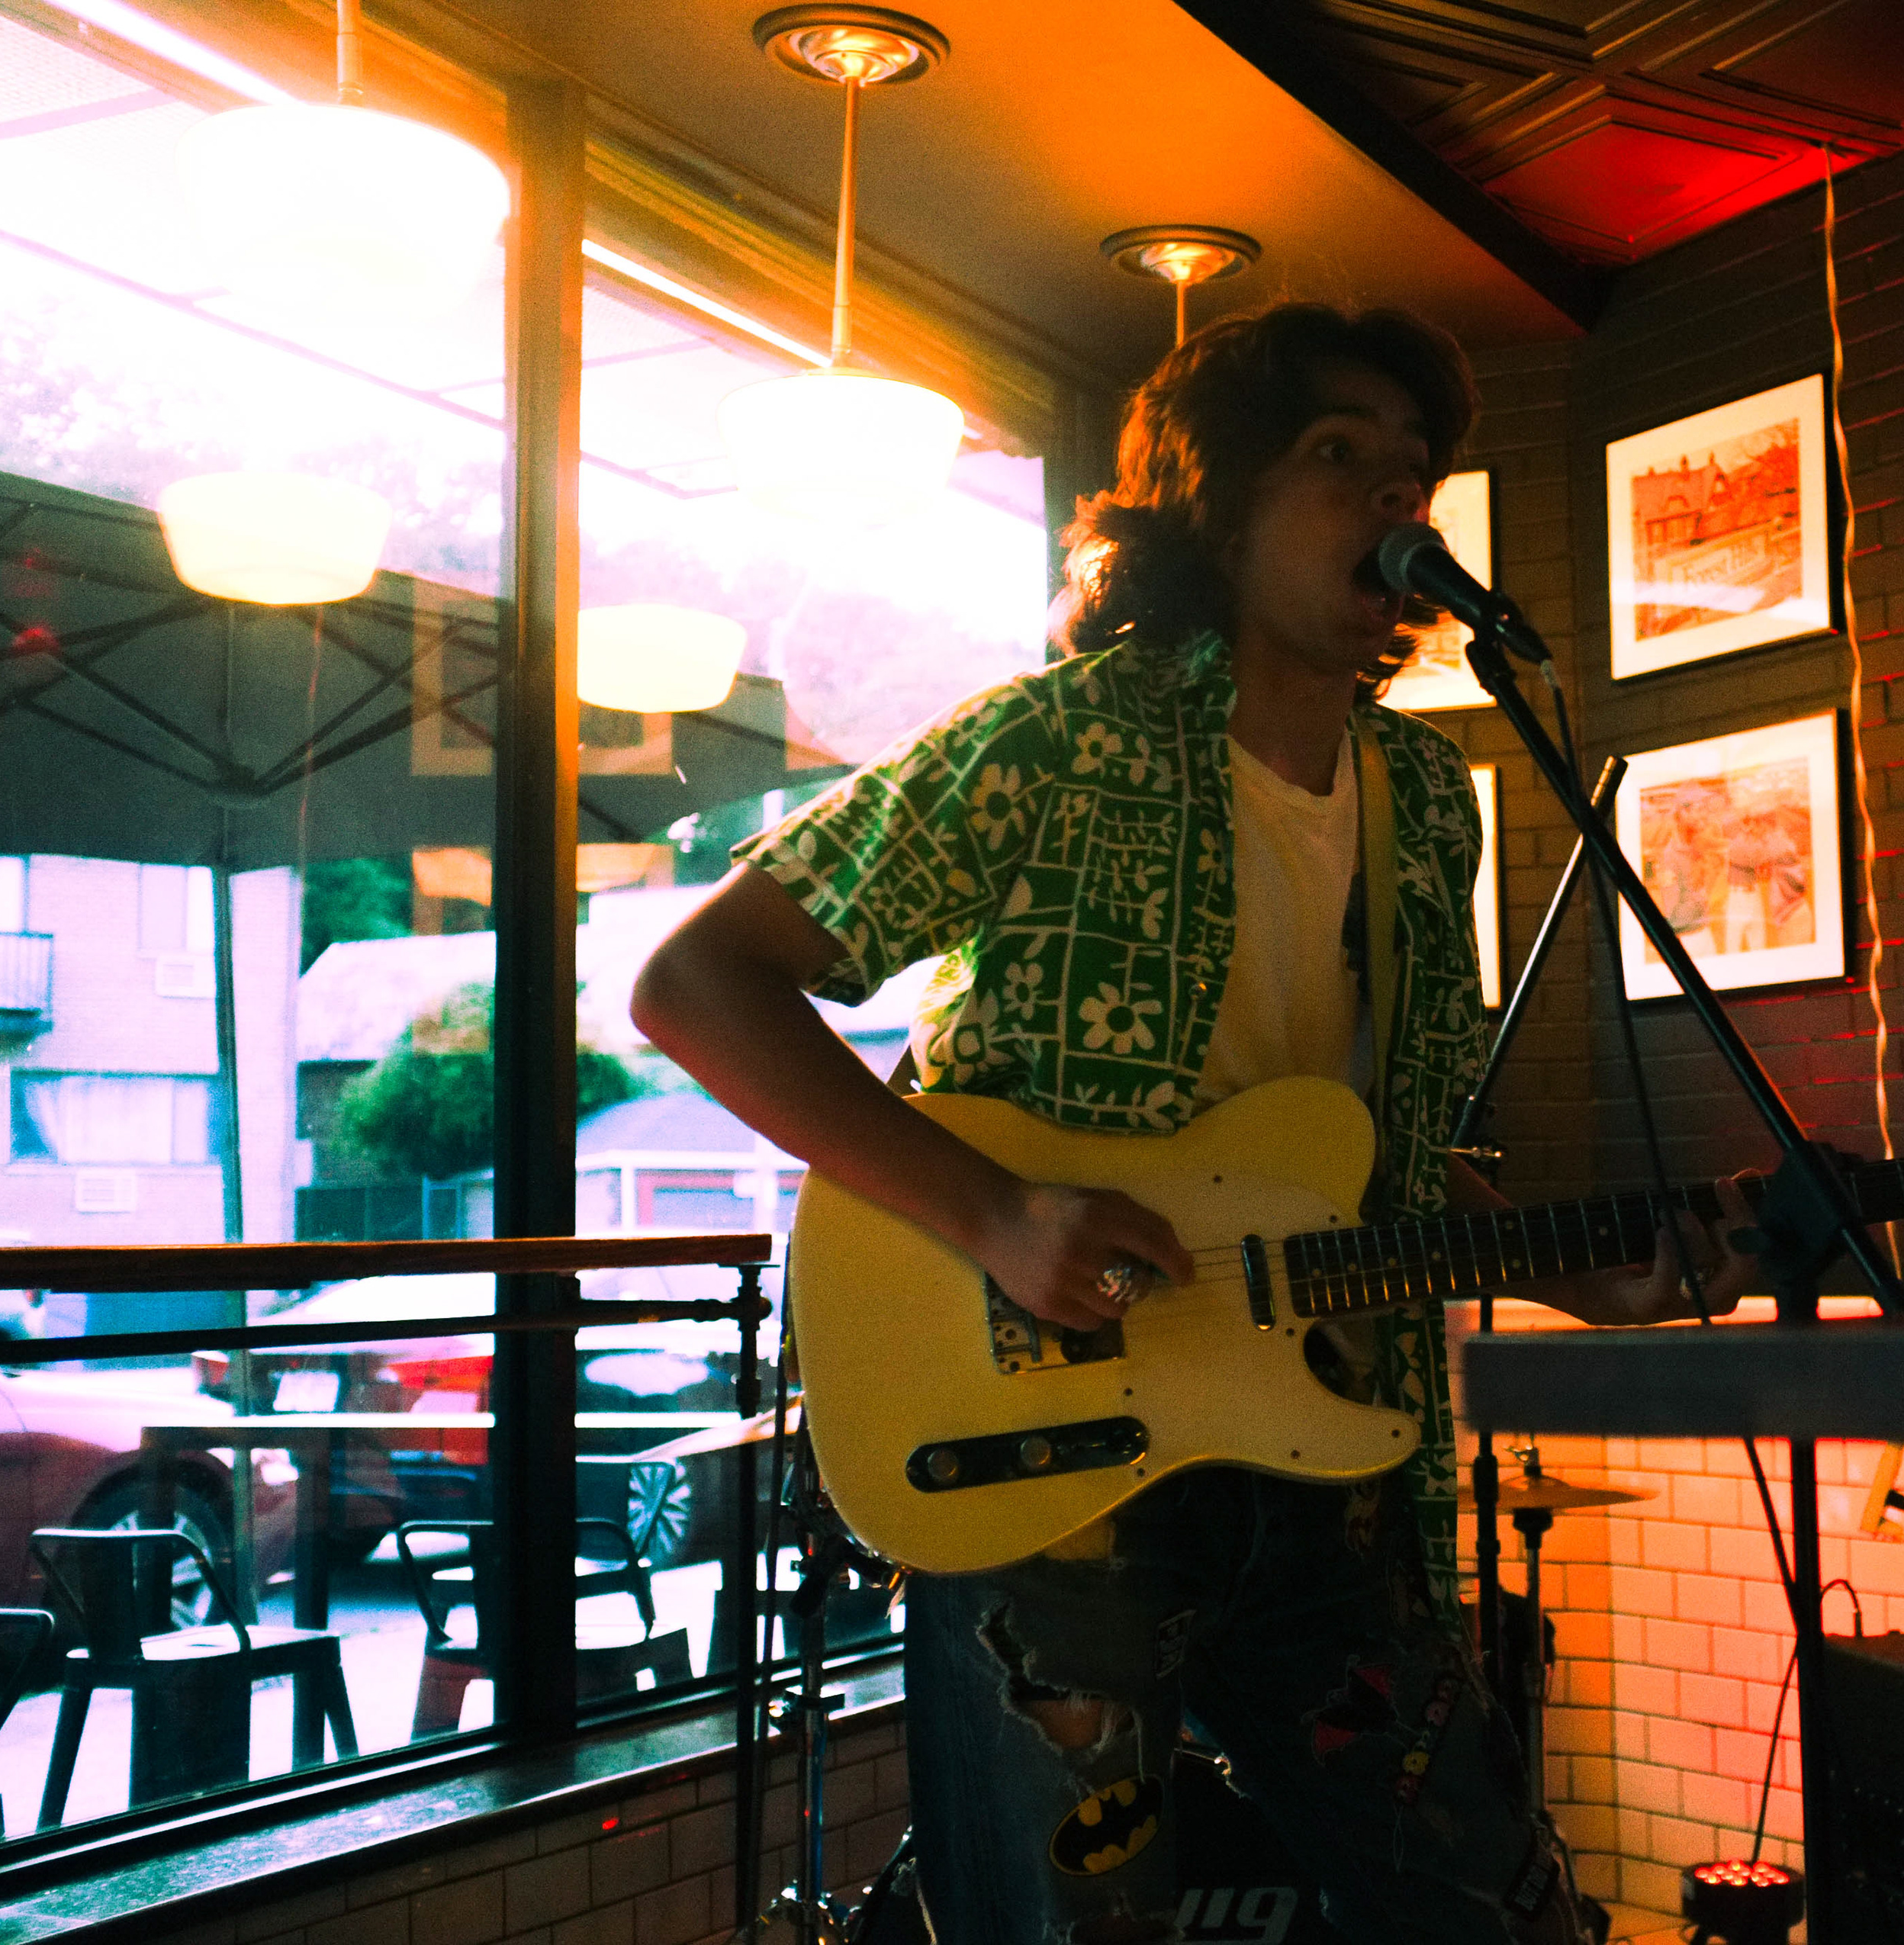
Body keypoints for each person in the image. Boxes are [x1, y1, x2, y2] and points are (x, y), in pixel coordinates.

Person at [635, 303, 1748, 1945]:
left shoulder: (1429, 806)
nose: (1395, 496)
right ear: (1214, 508)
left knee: (1494, 1911)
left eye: (1414, 469)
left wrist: (1570, 1269)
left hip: (1324, 1462)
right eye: (1338, 455)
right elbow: (697, 983)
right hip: (1050, 1465)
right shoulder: (1057, 739)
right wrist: (1001, 1218)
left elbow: (1366, 1165)